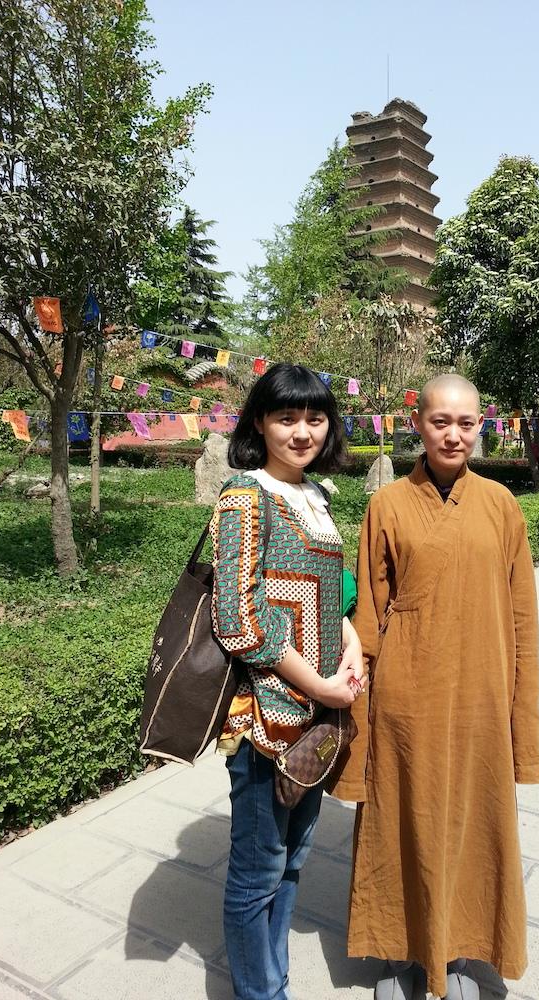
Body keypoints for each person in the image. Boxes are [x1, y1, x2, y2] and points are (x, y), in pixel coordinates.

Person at [330, 374, 539, 1000]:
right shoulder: (388, 505)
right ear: (416, 423)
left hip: (481, 693)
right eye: (440, 421)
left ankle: (463, 945)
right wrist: (357, 705)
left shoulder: (502, 504)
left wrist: (520, 718)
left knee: (475, 822)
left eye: (466, 423)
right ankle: (406, 954)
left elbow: (523, 619)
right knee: (407, 820)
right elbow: (368, 613)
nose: (454, 434)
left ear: (483, 426)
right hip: (408, 697)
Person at [211, 363, 364, 1000]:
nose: (302, 432)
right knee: (257, 873)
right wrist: (321, 685)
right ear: (259, 424)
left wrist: (352, 645)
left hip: (317, 720)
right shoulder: (245, 498)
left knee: (292, 864)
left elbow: (335, 596)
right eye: (286, 417)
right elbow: (240, 622)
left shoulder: (318, 497)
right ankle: (261, 992)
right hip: (267, 720)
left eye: (315, 418)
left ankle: (275, 983)